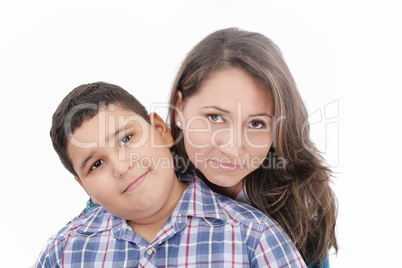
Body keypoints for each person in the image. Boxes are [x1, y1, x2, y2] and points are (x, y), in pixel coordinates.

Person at [35, 82, 306, 267]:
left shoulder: (253, 235)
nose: (121, 166)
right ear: (84, 188)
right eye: (96, 164)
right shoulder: (64, 252)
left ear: (160, 130)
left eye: (127, 138)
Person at [168, 28, 338, 267]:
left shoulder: (299, 208)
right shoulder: (138, 181)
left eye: (256, 123)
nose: (233, 148)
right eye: (215, 117)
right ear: (179, 108)